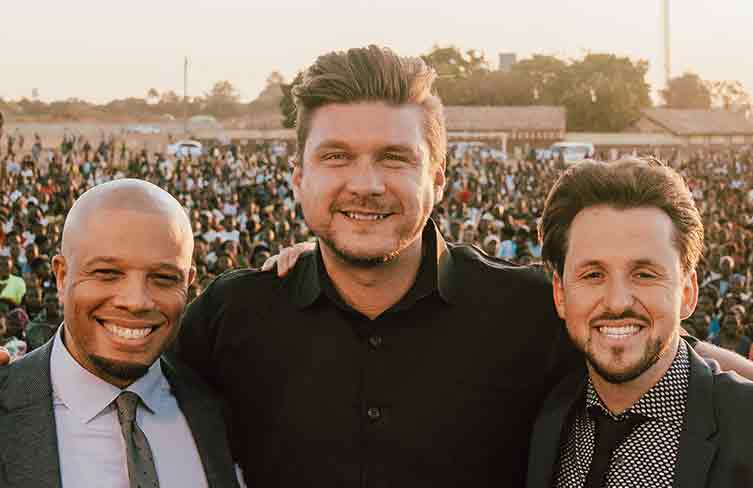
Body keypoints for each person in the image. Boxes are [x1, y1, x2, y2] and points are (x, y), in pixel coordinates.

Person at [177, 45, 580, 487]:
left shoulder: (536, 314)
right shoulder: (231, 316)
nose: (366, 185)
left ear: (439, 178)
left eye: (393, 157)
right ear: (298, 177)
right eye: (336, 157)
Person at [526, 158, 753, 487]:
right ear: (560, 294)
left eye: (644, 275)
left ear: (688, 292)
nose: (618, 302)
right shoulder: (542, 418)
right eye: (593, 275)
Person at [0, 179, 240, 488]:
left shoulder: (224, 409)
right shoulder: (8, 405)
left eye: (164, 278)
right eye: (107, 273)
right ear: (62, 277)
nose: (136, 301)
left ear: (189, 282)